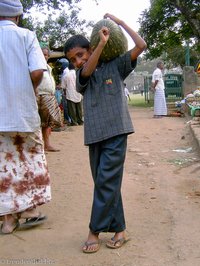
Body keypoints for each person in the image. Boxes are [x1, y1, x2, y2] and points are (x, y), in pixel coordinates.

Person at [63, 13, 146, 253]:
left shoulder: (116, 66)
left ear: (89, 48)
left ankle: (94, 231)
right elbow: (87, 72)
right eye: (73, 59)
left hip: (116, 134)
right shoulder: (81, 76)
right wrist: (99, 45)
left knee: (105, 184)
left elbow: (141, 46)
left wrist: (119, 24)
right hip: (94, 137)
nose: (78, 61)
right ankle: (120, 229)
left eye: (80, 54)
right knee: (105, 184)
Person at [0, 0, 51, 234]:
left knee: (4, 164)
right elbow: (37, 71)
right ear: (18, 16)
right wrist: (29, 86)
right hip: (23, 111)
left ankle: (8, 219)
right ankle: (30, 209)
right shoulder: (26, 36)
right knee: (29, 159)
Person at [37, 46, 62, 151]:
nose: (45, 56)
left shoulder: (48, 67)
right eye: (43, 54)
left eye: (46, 55)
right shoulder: (36, 65)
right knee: (39, 122)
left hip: (49, 96)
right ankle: (39, 146)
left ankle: (47, 144)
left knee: (47, 123)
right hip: (40, 95)